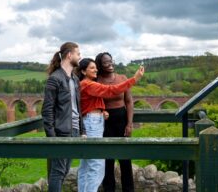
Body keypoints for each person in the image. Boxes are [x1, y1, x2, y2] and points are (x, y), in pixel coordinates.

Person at [76, 58, 144, 192]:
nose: (95, 69)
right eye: (92, 68)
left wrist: (101, 111)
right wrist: (135, 78)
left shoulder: (85, 84)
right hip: (92, 124)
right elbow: (112, 90)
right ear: (83, 71)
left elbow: (87, 104)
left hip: (92, 120)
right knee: (97, 166)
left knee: (85, 165)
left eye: (96, 67)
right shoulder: (88, 84)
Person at [41, 42, 85, 192]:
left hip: (74, 132)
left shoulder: (75, 79)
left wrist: (82, 130)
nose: (80, 57)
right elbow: (47, 111)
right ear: (69, 55)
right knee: (58, 172)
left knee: (64, 171)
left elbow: (77, 107)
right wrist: (53, 137)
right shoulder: (55, 79)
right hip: (61, 133)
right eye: (78, 54)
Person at [96, 52, 135, 192]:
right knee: (107, 159)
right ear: (100, 65)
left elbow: (129, 102)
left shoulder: (122, 78)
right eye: (106, 62)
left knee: (125, 159)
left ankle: (129, 190)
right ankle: (109, 189)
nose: (110, 64)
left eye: (111, 61)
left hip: (121, 119)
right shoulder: (96, 80)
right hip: (105, 122)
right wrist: (101, 112)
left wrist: (129, 124)